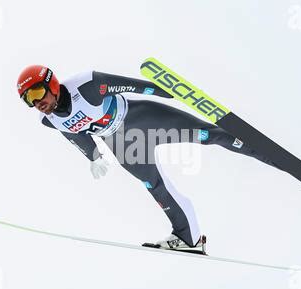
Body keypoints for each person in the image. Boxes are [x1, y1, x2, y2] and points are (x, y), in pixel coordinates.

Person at [16, 65, 280, 254]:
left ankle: (267, 153)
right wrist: (93, 157)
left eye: (37, 93)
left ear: (51, 84)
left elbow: (135, 86)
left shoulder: (88, 85)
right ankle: (188, 238)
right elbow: (75, 136)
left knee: (207, 136)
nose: (36, 102)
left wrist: (172, 91)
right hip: (122, 144)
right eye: (29, 99)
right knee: (154, 186)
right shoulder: (48, 120)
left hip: (142, 119)